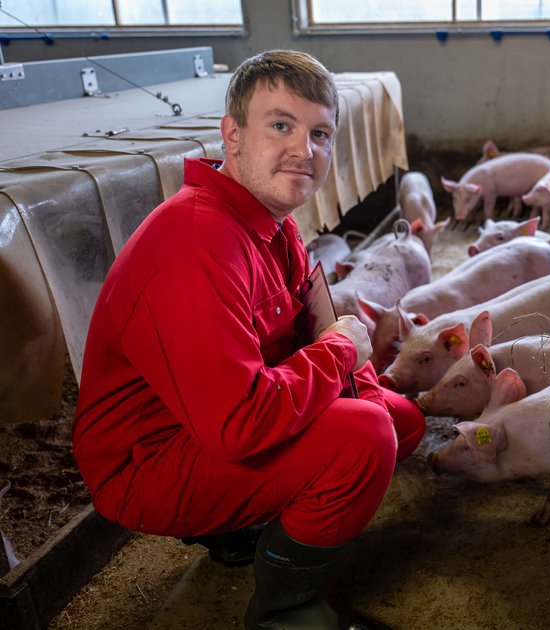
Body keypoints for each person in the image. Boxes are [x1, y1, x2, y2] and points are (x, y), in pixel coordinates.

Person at [72, 49, 426, 630]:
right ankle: (287, 610)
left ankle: (253, 523)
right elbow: (242, 421)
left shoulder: (275, 223)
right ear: (232, 135)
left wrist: (355, 377)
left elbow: (319, 317)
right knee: (362, 439)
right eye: (281, 125)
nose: (304, 150)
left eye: (320, 133)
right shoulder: (196, 246)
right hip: (149, 457)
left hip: (216, 417)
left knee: (397, 420)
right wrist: (342, 356)